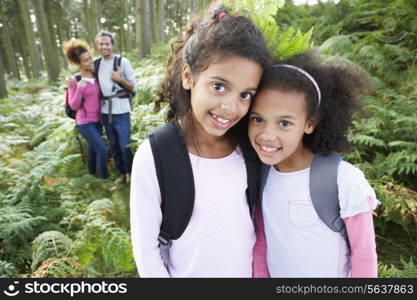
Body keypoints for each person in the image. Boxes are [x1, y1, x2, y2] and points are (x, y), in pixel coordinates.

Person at [130, 3, 272, 277]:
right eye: (219, 87)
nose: (231, 107)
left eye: (245, 95)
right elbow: (146, 252)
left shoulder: (250, 149)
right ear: (188, 77)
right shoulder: (157, 155)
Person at [249, 52, 378, 277]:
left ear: (310, 123)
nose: (267, 135)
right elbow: (262, 242)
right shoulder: (262, 174)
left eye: (284, 123)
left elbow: (364, 256)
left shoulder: (344, 179)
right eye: (258, 119)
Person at [63, 38, 109, 179]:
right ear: (78, 63)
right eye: (85, 60)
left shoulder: (96, 76)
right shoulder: (74, 80)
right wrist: (80, 88)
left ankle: (91, 175)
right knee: (102, 150)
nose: (90, 62)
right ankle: (104, 180)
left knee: (93, 149)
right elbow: (73, 105)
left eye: (90, 58)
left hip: (97, 120)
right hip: (84, 122)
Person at [95, 30, 136, 184]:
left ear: (112, 45)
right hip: (105, 111)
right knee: (113, 145)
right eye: (101, 44)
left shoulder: (122, 62)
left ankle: (131, 173)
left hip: (122, 110)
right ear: (97, 45)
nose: (104, 46)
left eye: (107, 43)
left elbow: (132, 87)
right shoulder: (96, 63)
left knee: (125, 145)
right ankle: (121, 173)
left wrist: (119, 79)